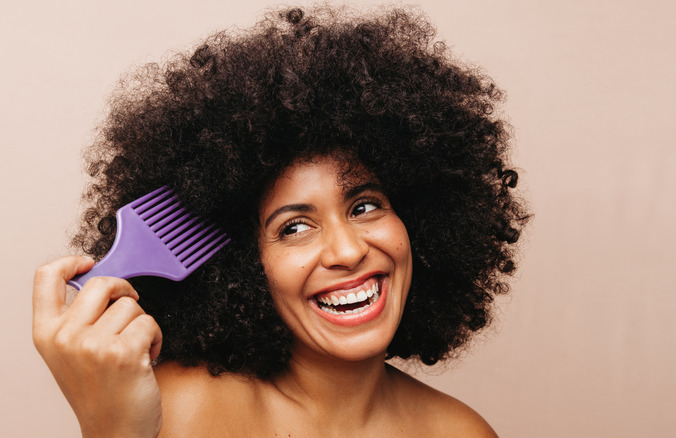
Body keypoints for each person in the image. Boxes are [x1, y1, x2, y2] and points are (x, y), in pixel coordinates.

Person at [32, 5, 528, 437]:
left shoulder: (460, 432)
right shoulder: (178, 414)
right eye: (293, 227)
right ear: (245, 267)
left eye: (365, 206)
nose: (348, 251)